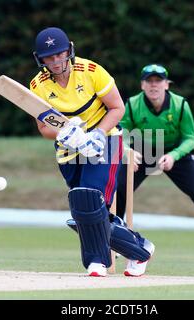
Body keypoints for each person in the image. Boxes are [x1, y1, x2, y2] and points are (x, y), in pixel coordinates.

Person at [30, 27, 155, 277]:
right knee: (83, 207)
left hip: (106, 142)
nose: (55, 61)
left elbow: (117, 108)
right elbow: (44, 127)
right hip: (68, 150)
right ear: (40, 59)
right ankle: (140, 249)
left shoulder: (91, 71)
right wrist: (65, 134)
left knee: (90, 199)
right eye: (49, 57)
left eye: (59, 54)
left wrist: (97, 134)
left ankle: (97, 262)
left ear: (69, 50)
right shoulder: (38, 85)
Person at [116, 64, 194, 264]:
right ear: (142, 85)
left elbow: (190, 137)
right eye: (149, 81)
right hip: (142, 149)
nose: (154, 85)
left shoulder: (180, 105)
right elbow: (122, 132)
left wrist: (174, 155)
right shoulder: (131, 104)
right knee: (118, 190)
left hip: (175, 152)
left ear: (166, 84)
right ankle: (116, 243)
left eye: (158, 81)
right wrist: (128, 151)